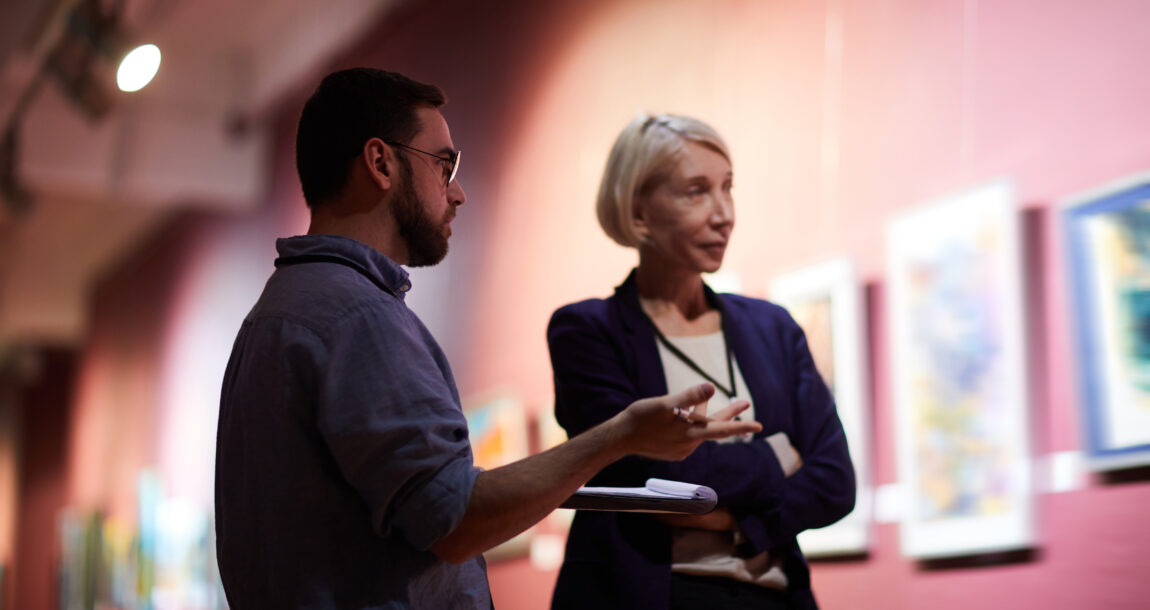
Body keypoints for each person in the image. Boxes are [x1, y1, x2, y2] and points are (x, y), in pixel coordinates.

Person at [213, 69, 762, 609]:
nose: (458, 193)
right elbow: (453, 520)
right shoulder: (357, 317)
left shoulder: (280, 313)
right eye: (444, 165)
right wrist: (621, 435)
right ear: (381, 163)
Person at [547, 114, 856, 610]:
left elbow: (835, 482)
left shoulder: (773, 328)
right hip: (650, 597)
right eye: (696, 191)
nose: (724, 213)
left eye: (728, 188)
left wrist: (730, 521)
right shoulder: (587, 331)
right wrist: (777, 455)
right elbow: (636, 469)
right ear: (638, 210)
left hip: (773, 597)